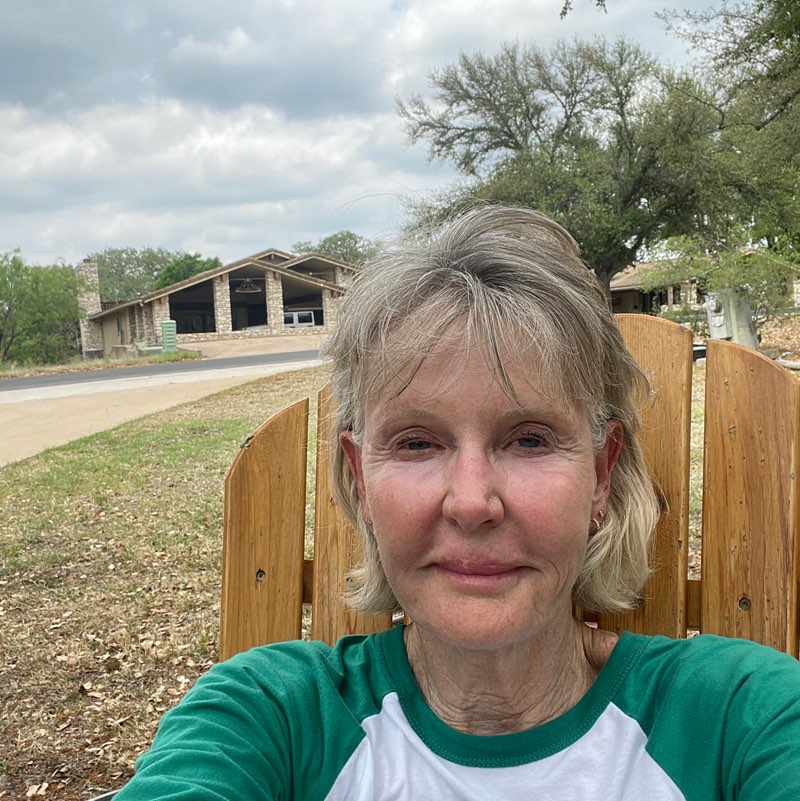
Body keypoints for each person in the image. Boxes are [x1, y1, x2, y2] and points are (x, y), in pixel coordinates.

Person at [115, 206, 800, 800]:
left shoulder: (743, 717)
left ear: (601, 473)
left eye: (529, 439)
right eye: (417, 443)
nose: (472, 503)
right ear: (360, 479)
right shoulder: (271, 716)